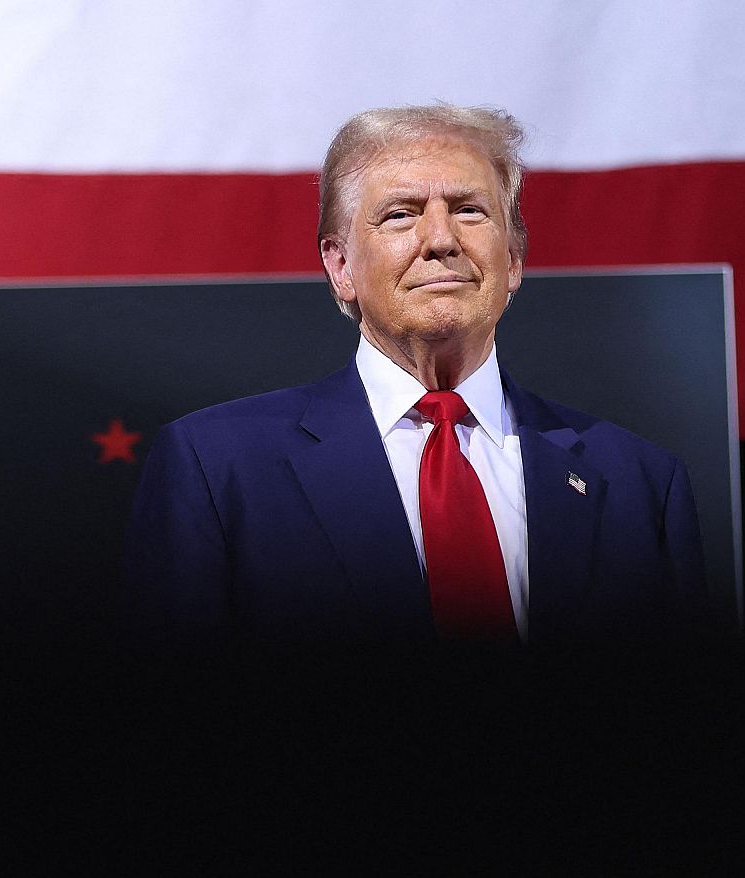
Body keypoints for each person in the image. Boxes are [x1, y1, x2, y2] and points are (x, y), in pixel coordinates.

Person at [124, 104, 709, 646]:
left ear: (515, 261)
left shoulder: (640, 483)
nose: (440, 240)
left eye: (469, 211)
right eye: (401, 215)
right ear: (342, 266)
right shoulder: (216, 468)